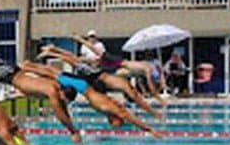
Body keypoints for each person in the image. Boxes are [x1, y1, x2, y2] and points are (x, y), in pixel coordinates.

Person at [18, 61, 160, 136]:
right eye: (117, 124)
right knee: (53, 75)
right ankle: (27, 67)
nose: (113, 126)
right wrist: (147, 129)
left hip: (84, 87)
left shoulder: (108, 109)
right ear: (116, 118)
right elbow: (129, 117)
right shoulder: (112, 108)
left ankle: (29, 66)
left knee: (55, 74)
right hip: (83, 87)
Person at [37, 43, 165, 119]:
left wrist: (155, 108)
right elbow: (140, 101)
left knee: (75, 61)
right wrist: (154, 111)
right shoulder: (126, 84)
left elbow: (140, 100)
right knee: (74, 61)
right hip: (96, 76)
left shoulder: (124, 81)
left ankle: (53, 51)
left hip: (98, 77)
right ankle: (52, 51)